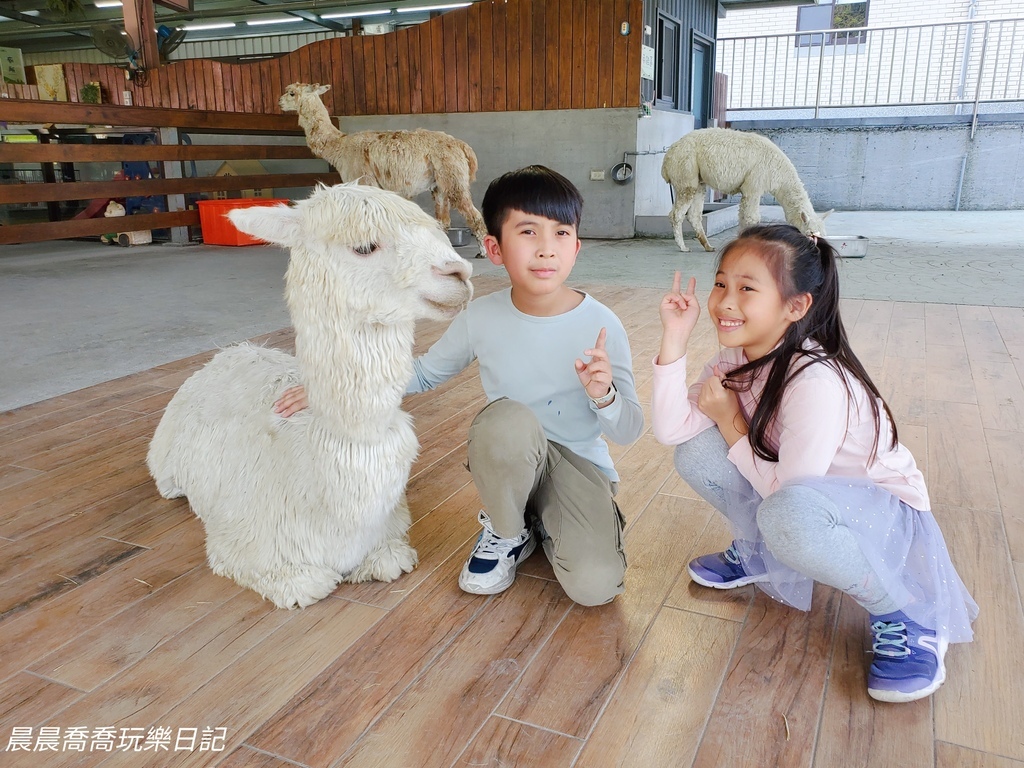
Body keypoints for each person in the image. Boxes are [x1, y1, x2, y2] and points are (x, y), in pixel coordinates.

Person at [275, 165, 644, 606]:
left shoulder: (602, 323)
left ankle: (551, 519)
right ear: (494, 248)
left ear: (577, 247)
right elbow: (427, 372)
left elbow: (629, 431)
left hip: (580, 466)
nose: (547, 250)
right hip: (512, 451)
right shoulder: (481, 315)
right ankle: (509, 531)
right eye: (528, 231)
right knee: (507, 419)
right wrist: (334, 388)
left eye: (561, 234)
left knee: (595, 589)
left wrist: (604, 394)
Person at [651, 223, 977, 703]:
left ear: (795, 306)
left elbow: (789, 493)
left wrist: (730, 423)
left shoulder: (814, 380)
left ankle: (905, 614)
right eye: (721, 282)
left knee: (785, 512)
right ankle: (761, 549)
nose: (723, 301)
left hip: (878, 515)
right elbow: (672, 429)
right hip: (804, 499)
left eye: (746, 288)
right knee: (694, 452)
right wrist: (674, 337)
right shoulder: (737, 358)